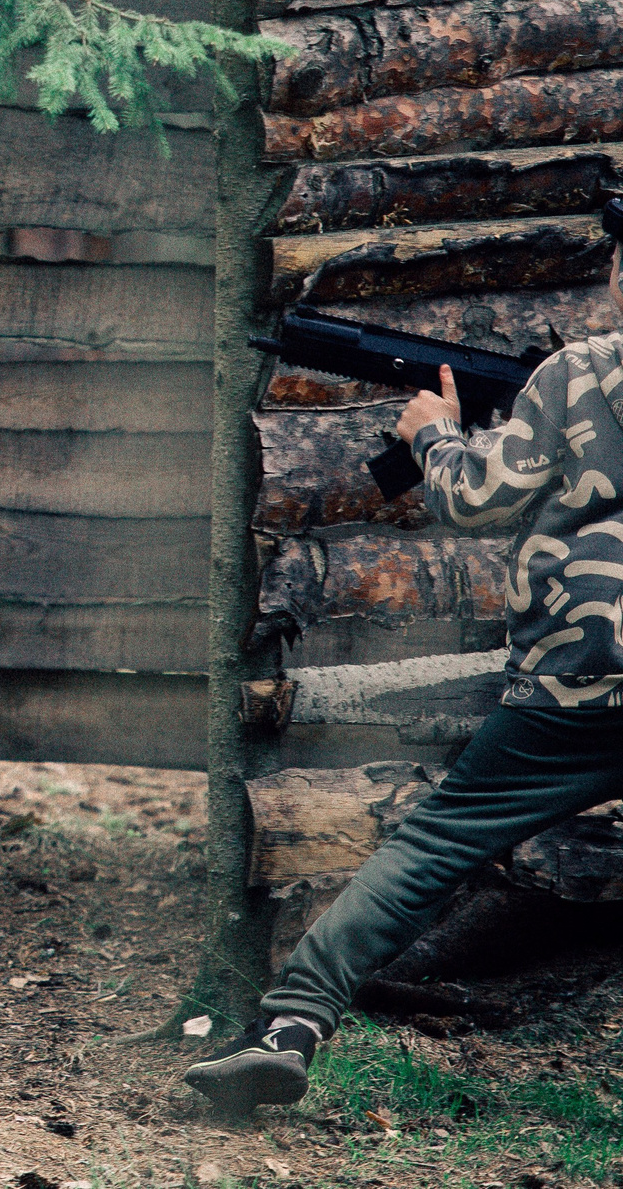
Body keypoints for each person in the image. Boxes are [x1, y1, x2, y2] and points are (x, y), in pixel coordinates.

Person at [185, 244, 623, 1110]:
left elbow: (475, 501)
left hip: (577, 679)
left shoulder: (579, 372)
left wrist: (431, 432)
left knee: (435, 843)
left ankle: (291, 1026)